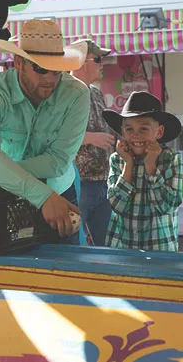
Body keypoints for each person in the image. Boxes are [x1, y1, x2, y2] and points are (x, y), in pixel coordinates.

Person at [0, 19, 89, 241]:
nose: (51, 79)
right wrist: (43, 196)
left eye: (57, 71)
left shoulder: (77, 94)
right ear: (18, 62)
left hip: (58, 191)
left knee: (63, 270)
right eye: (41, 68)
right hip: (8, 194)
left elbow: (58, 161)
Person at [103, 91, 183, 251]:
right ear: (123, 132)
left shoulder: (170, 159)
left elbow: (167, 206)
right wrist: (128, 164)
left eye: (144, 129)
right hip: (121, 247)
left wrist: (151, 166)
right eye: (129, 129)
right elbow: (116, 205)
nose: (136, 135)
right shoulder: (117, 159)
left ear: (159, 132)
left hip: (159, 247)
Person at [71, 39, 115, 246]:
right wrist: (91, 138)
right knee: (74, 241)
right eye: (97, 59)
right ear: (80, 61)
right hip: (78, 182)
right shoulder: (64, 92)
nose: (101, 64)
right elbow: (54, 134)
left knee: (104, 244)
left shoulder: (96, 93)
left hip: (103, 181)